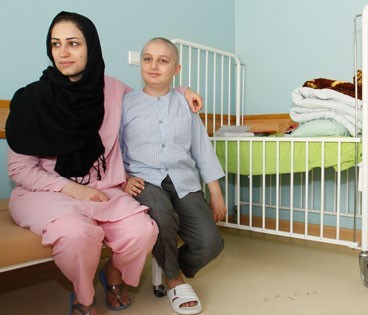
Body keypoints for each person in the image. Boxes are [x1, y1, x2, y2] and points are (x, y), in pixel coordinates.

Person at [5, 12, 202, 315]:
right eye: (56, 44)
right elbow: (20, 169)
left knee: (143, 230)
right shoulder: (33, 100)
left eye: (74, 43)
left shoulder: (111, 89)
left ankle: (112, 276)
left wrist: (181, 92)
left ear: (91, 47)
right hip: (44, 193)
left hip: (103, 188)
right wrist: (72, 189)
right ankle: (84, 297)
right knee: (77, 234)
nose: (64, 52)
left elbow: (149, 100)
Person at [120, 37, 226, 315]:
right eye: (147, 59)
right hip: (144, 180)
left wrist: (215, 192)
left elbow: (202, 149)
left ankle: (171, 263)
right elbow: (113, 149)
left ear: (176, 69)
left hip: (183, 180)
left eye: (163, 61)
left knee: (211, 244)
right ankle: (174, 280)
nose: (154, 66)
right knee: (160, 211)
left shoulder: (184, 103)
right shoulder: (125, 104)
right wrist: (123, 179)